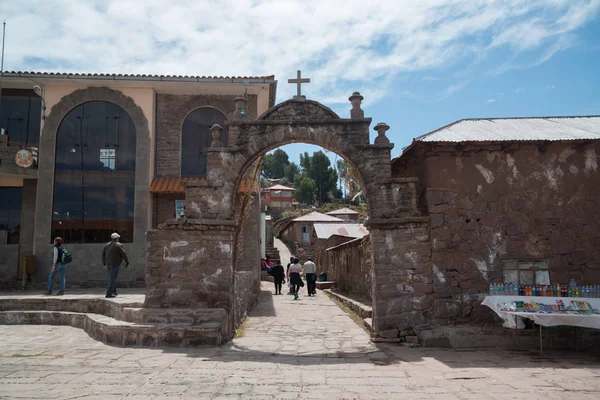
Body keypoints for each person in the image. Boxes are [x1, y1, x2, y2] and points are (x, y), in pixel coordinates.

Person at [102, 232, 129, 298]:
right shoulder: (119, 245)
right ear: (117, 238)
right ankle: (109, 293)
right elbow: (124, 254)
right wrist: (127, 262)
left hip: (108, 264)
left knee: (112, 278)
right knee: (112, 279)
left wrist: (104, 264)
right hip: (115, 264)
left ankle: (114, 292)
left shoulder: (106, 245)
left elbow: (103, 255)